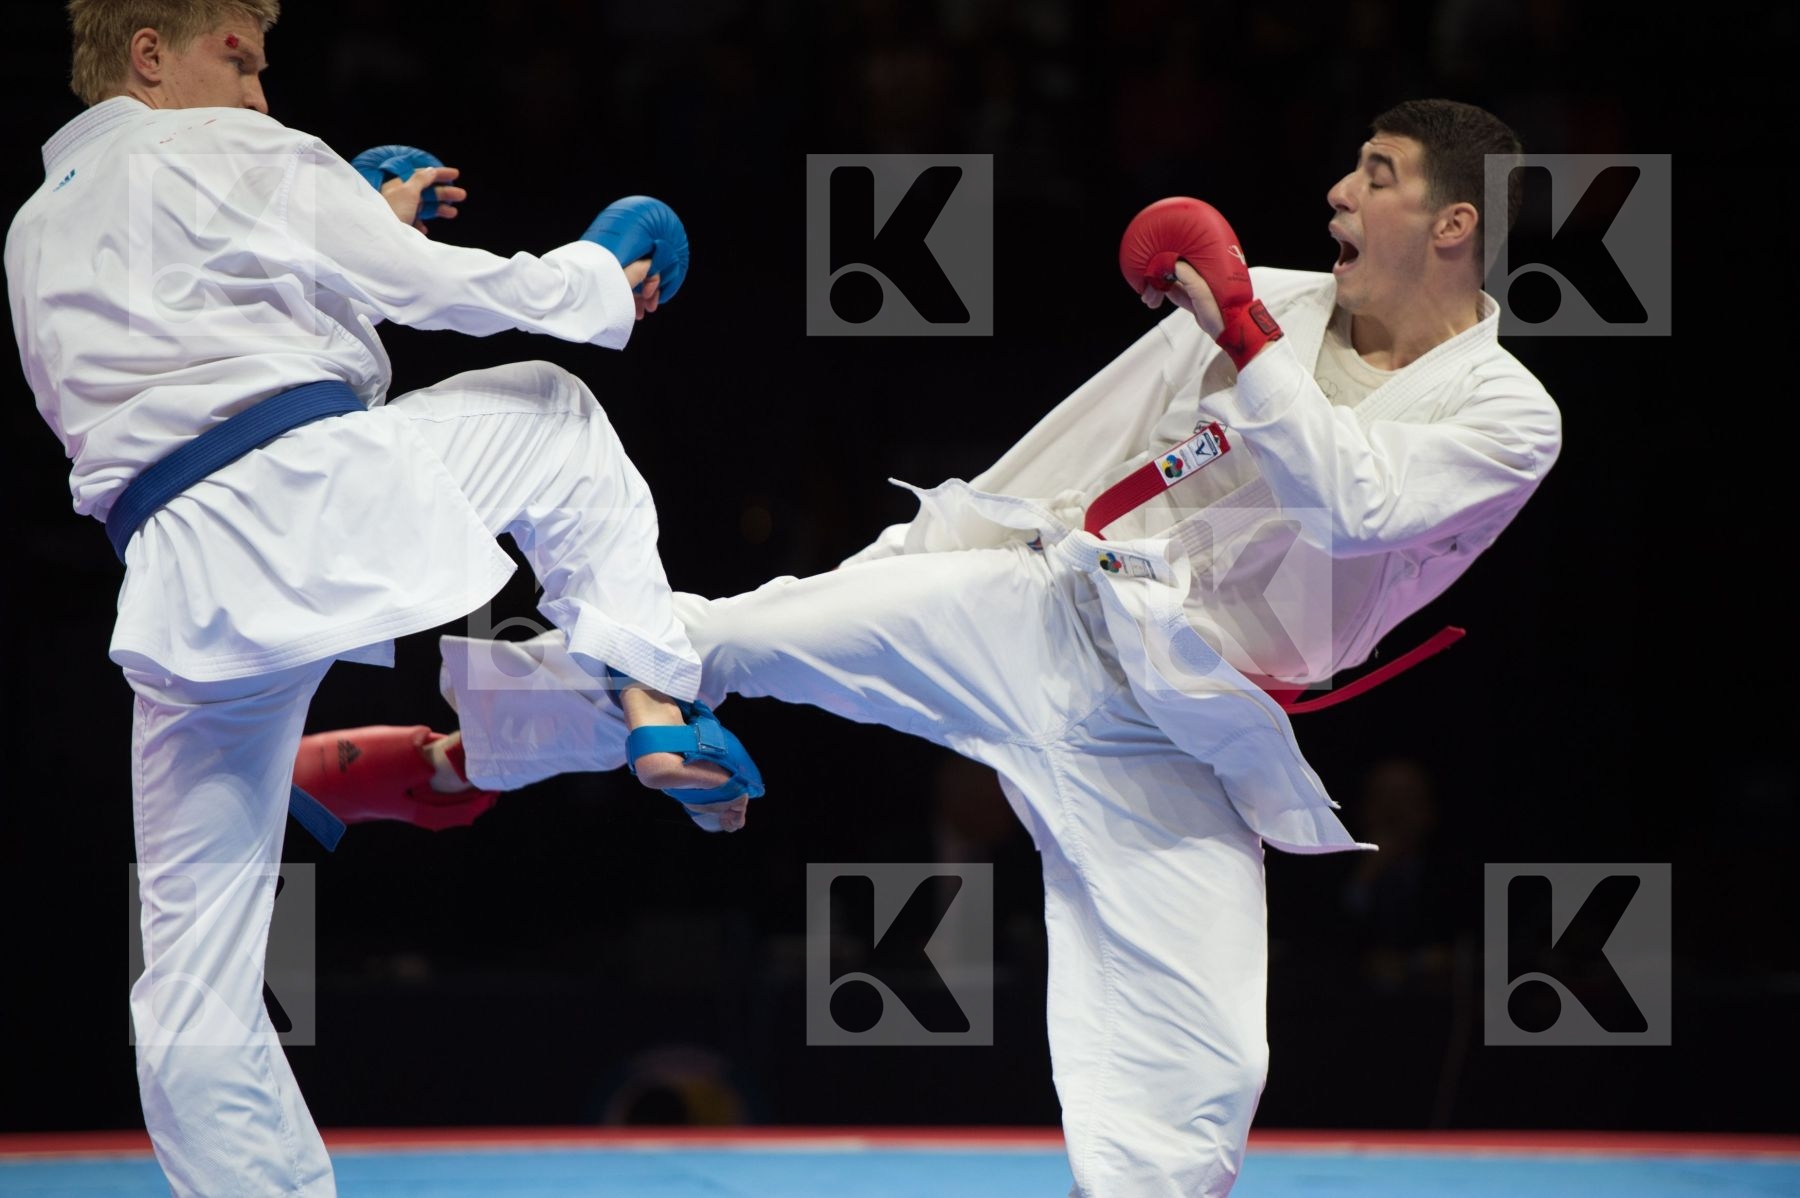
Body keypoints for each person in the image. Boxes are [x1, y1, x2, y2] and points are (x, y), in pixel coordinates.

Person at [351, 98, 1561, 1194]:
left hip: (1186, 726)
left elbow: (1357, 504)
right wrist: (919, 560)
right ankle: (458, 761)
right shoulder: (1267, 301)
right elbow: (1093, 442)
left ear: (1453, 222)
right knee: (729, 633)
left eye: (1377, 174)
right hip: (1044, 612)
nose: (1340, 193)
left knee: (1206, 1075)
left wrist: (1242, 332)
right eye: (1351, 165)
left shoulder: (1506, 415)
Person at [6, 2, 759, 1193]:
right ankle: (644, 705)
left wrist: (343, 222)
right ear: (149, 55)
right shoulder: (231, 150)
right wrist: (594, 279)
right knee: (552, 410)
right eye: (237, 59)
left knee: (189, 976)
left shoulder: (35, 229)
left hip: (182, 590)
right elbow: (434, 294)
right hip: (317, 506)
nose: (259, 93)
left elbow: (225, 344)